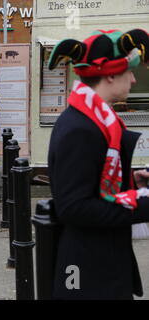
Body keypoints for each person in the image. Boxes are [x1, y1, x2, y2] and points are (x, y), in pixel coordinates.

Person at [47, 29, 149, 299]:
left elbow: (93, 186)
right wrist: (142, 202)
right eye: (130, 71)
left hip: (98, 264)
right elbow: (74, 207)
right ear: (112, 74)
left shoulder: (93, 119)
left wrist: (132, 183)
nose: (134, 78)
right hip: (88, 274)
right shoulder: (82, 128)